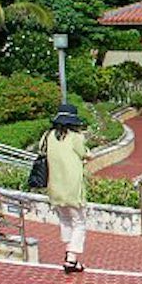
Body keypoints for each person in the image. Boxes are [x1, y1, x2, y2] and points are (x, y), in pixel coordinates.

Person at [45, 103, 89, 273]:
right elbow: (84, 153)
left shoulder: (48, 136)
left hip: (55, 186)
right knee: (79, 222)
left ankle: (71, 256)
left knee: (65, 220)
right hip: (72, 187)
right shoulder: (75, 137)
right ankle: (71, 257)